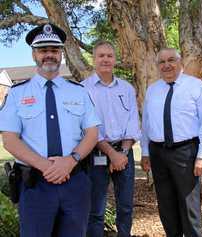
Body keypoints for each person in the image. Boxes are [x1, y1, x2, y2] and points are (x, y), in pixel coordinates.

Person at [0, 23, 100, 237]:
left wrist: (70, 161)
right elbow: (9, 139)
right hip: (35, 185)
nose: (49, 55)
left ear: (61, 54)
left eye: (54, 50)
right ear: (34, 55)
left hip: (74, 182)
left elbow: (92, 133)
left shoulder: (79, 92)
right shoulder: (17, 94)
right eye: (43, 50)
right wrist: (47, 166)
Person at [141, 48, 202, 237]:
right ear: (158, 66)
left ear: (180, 62)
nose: (167, 65)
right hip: (158, 153)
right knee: (166, 206)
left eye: (171, 60)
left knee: (190, 207)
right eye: (162, 62)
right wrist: (144, 151)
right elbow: (147, 124)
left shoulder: (195, 86)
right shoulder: (152, 90)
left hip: (186, 153)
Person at [82, 40, 141, 237]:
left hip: (125, 154)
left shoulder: (127, 88)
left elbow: (133, 122)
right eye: (101, 56)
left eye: (109, 56)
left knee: (125, 206)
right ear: (94, 60)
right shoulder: (83, 89)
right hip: (95, 152)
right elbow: (88, 127)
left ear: (115, 59)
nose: (105, 59)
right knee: (95, 209)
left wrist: (122, 153)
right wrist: (111, 153)